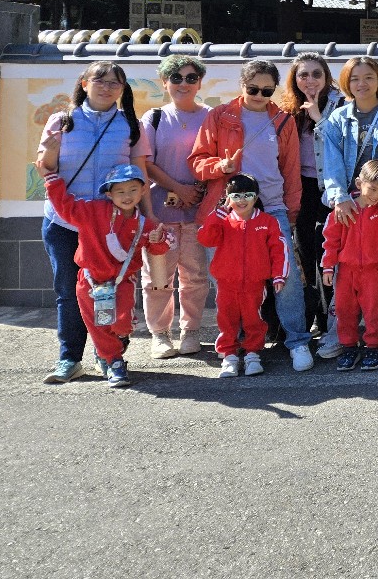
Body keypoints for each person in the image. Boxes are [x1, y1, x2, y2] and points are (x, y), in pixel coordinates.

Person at [189, 60, 311, 370]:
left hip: (273, 207)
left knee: (287, 279)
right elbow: (197, 161)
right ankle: (236, 347)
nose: (259, 95)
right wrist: (220, 166)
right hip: (229, 211)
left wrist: (291, 213)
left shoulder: (282, 120)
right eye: (253, 88)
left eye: (267, 90)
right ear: (242, 85)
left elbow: (291, 171)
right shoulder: (220, 116)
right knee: (231, 284)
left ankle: (297, 341)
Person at [34, 61, 140, 385]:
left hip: (110, 226)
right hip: (64, 222)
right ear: (84, 83)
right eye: (99, 80)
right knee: (69, 291)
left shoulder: (129, 125)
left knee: (111, 290)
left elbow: (140, 174)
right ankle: (69, 358)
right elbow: (45, 167)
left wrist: (145, 219)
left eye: (114, 83)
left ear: (122, 89)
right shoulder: (62, 120)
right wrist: (49, 153)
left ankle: (108, 356)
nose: (106, 87)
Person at [315, 56, 378, 360]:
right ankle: (339, 336)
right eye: (355, 78)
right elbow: (330, 162)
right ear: (347, 83)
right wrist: (339, 197)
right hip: (349, 206)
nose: (362, 83)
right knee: (344, 278)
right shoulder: (337, 118)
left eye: (369, 77)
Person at [38, 162, 168, 388]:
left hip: (122, 283)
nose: (127, 196)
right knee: (99, 327)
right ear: (109, 194)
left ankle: (116, 343)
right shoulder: (93, 212)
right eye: (120, 191)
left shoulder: (144, 224)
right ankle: (114, 362)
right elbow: (66, 207)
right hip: (90, 282)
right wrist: (52, 181)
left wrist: (159, 240)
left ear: (143, 190)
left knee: (122, 325)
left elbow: (160, 248)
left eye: (133, 190)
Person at [136, 54, 212, 359]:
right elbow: (145, 163)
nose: (184, 84)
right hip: (159, 212)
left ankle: (191, 331)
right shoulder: (153, 118)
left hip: (198, 211)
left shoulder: (211, 116)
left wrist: (197, 190)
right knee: (157, 277)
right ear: (165, 82)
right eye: (176, 78)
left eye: (191, 78)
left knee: (195, 276)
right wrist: (179, 188)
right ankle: (160, 334)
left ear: (199, 83)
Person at [320, 159, 378, 372]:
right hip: (345, 271)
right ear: (358, 183)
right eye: (372, 189)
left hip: (373, 271)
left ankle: (373, 346)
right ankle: (348, 347)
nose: (376, 196)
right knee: (344, 310)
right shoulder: (344, 208)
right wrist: (328, 266)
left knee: (373, 310)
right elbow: (331, 239)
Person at [277, 51, 344, 336]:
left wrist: (318, 117)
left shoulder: (341, 105)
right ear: (295, 79)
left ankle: (332, 319)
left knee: (328, 252)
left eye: (317, 74)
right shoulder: (288, 109)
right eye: (303, 75)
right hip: (300, 186)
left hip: (331, 185)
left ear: (327, 77)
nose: (310, 80)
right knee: (305, 253)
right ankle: (314, 314)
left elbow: (342, 145)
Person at [196, 173, 288, 379]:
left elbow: (279, 250)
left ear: (256, 197)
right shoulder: (223, 220)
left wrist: (279, 276)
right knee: (226, 319)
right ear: (228, 198)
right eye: (236, 195)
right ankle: (229, 356)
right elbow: (205, 239)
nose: (242, 200)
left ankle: (252, 354)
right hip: (226, 283)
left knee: (253, 319)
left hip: (255, 283)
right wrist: (217, 216)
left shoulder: (267, 222)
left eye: (248, 195)